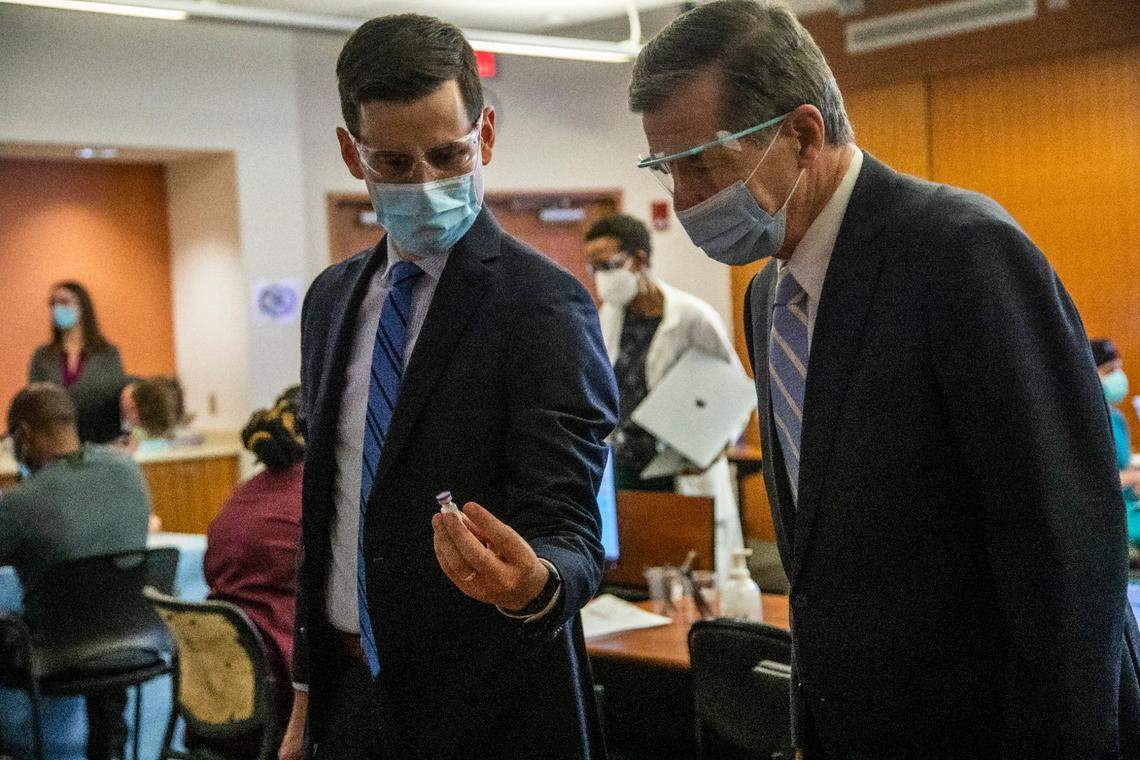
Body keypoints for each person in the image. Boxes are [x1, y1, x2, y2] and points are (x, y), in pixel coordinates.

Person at [628, 1, 1140, 757]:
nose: (682, 196)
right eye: (664, 167)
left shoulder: (961, 253)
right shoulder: (769, 294)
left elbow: (1067, 553)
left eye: (701, 161)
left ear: (801, 134)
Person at [283, 14, 618, 760]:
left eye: (446, 155)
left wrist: (534, 583)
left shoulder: (542, 305)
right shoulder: (332, 300)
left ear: (485, 138)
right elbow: (326, 515)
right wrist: (305, 701)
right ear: (352, 154)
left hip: (485, 705)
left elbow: (571, 525)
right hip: (346, 696)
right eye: (395, 164)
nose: (426, 184)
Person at [585, 213, 745, 579]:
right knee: (639, 571)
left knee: (689, 571)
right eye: (593, 268)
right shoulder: (610, 314)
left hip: (680, 466)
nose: (602, 279)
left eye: (608, 265)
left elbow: (732, 392)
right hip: (626, 464)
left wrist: (714, 445)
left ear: (639, 260)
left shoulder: (692, 318)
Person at [0, 383, 150, 760]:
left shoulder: (19, 504)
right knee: (101, 623)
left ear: (24, 434)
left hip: (54, 654)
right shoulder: (129, 472)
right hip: (138, 641)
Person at [201, 386, 303, 755]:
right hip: (277, 687)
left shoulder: (241, 494)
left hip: (213, 675)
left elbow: (211, 569)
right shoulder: (312, 495)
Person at [28, 281, 128, 445]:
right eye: (53, 303)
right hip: (55, 447)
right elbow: (34, 402)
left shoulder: (108, 354)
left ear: (83, 306)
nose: (57, 309)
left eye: (65, 302)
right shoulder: (42, 356)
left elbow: (118, 399)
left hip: (101, 445)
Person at [1091, 339, 1140, 550]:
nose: (1118, 377)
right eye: (1110, 370)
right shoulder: (1087, 423)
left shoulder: (1117, 419)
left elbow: (1125, 465)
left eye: (1119, 368)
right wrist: (1134, 477)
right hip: (1104, 514)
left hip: (1128, 507)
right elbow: (1092, 482)